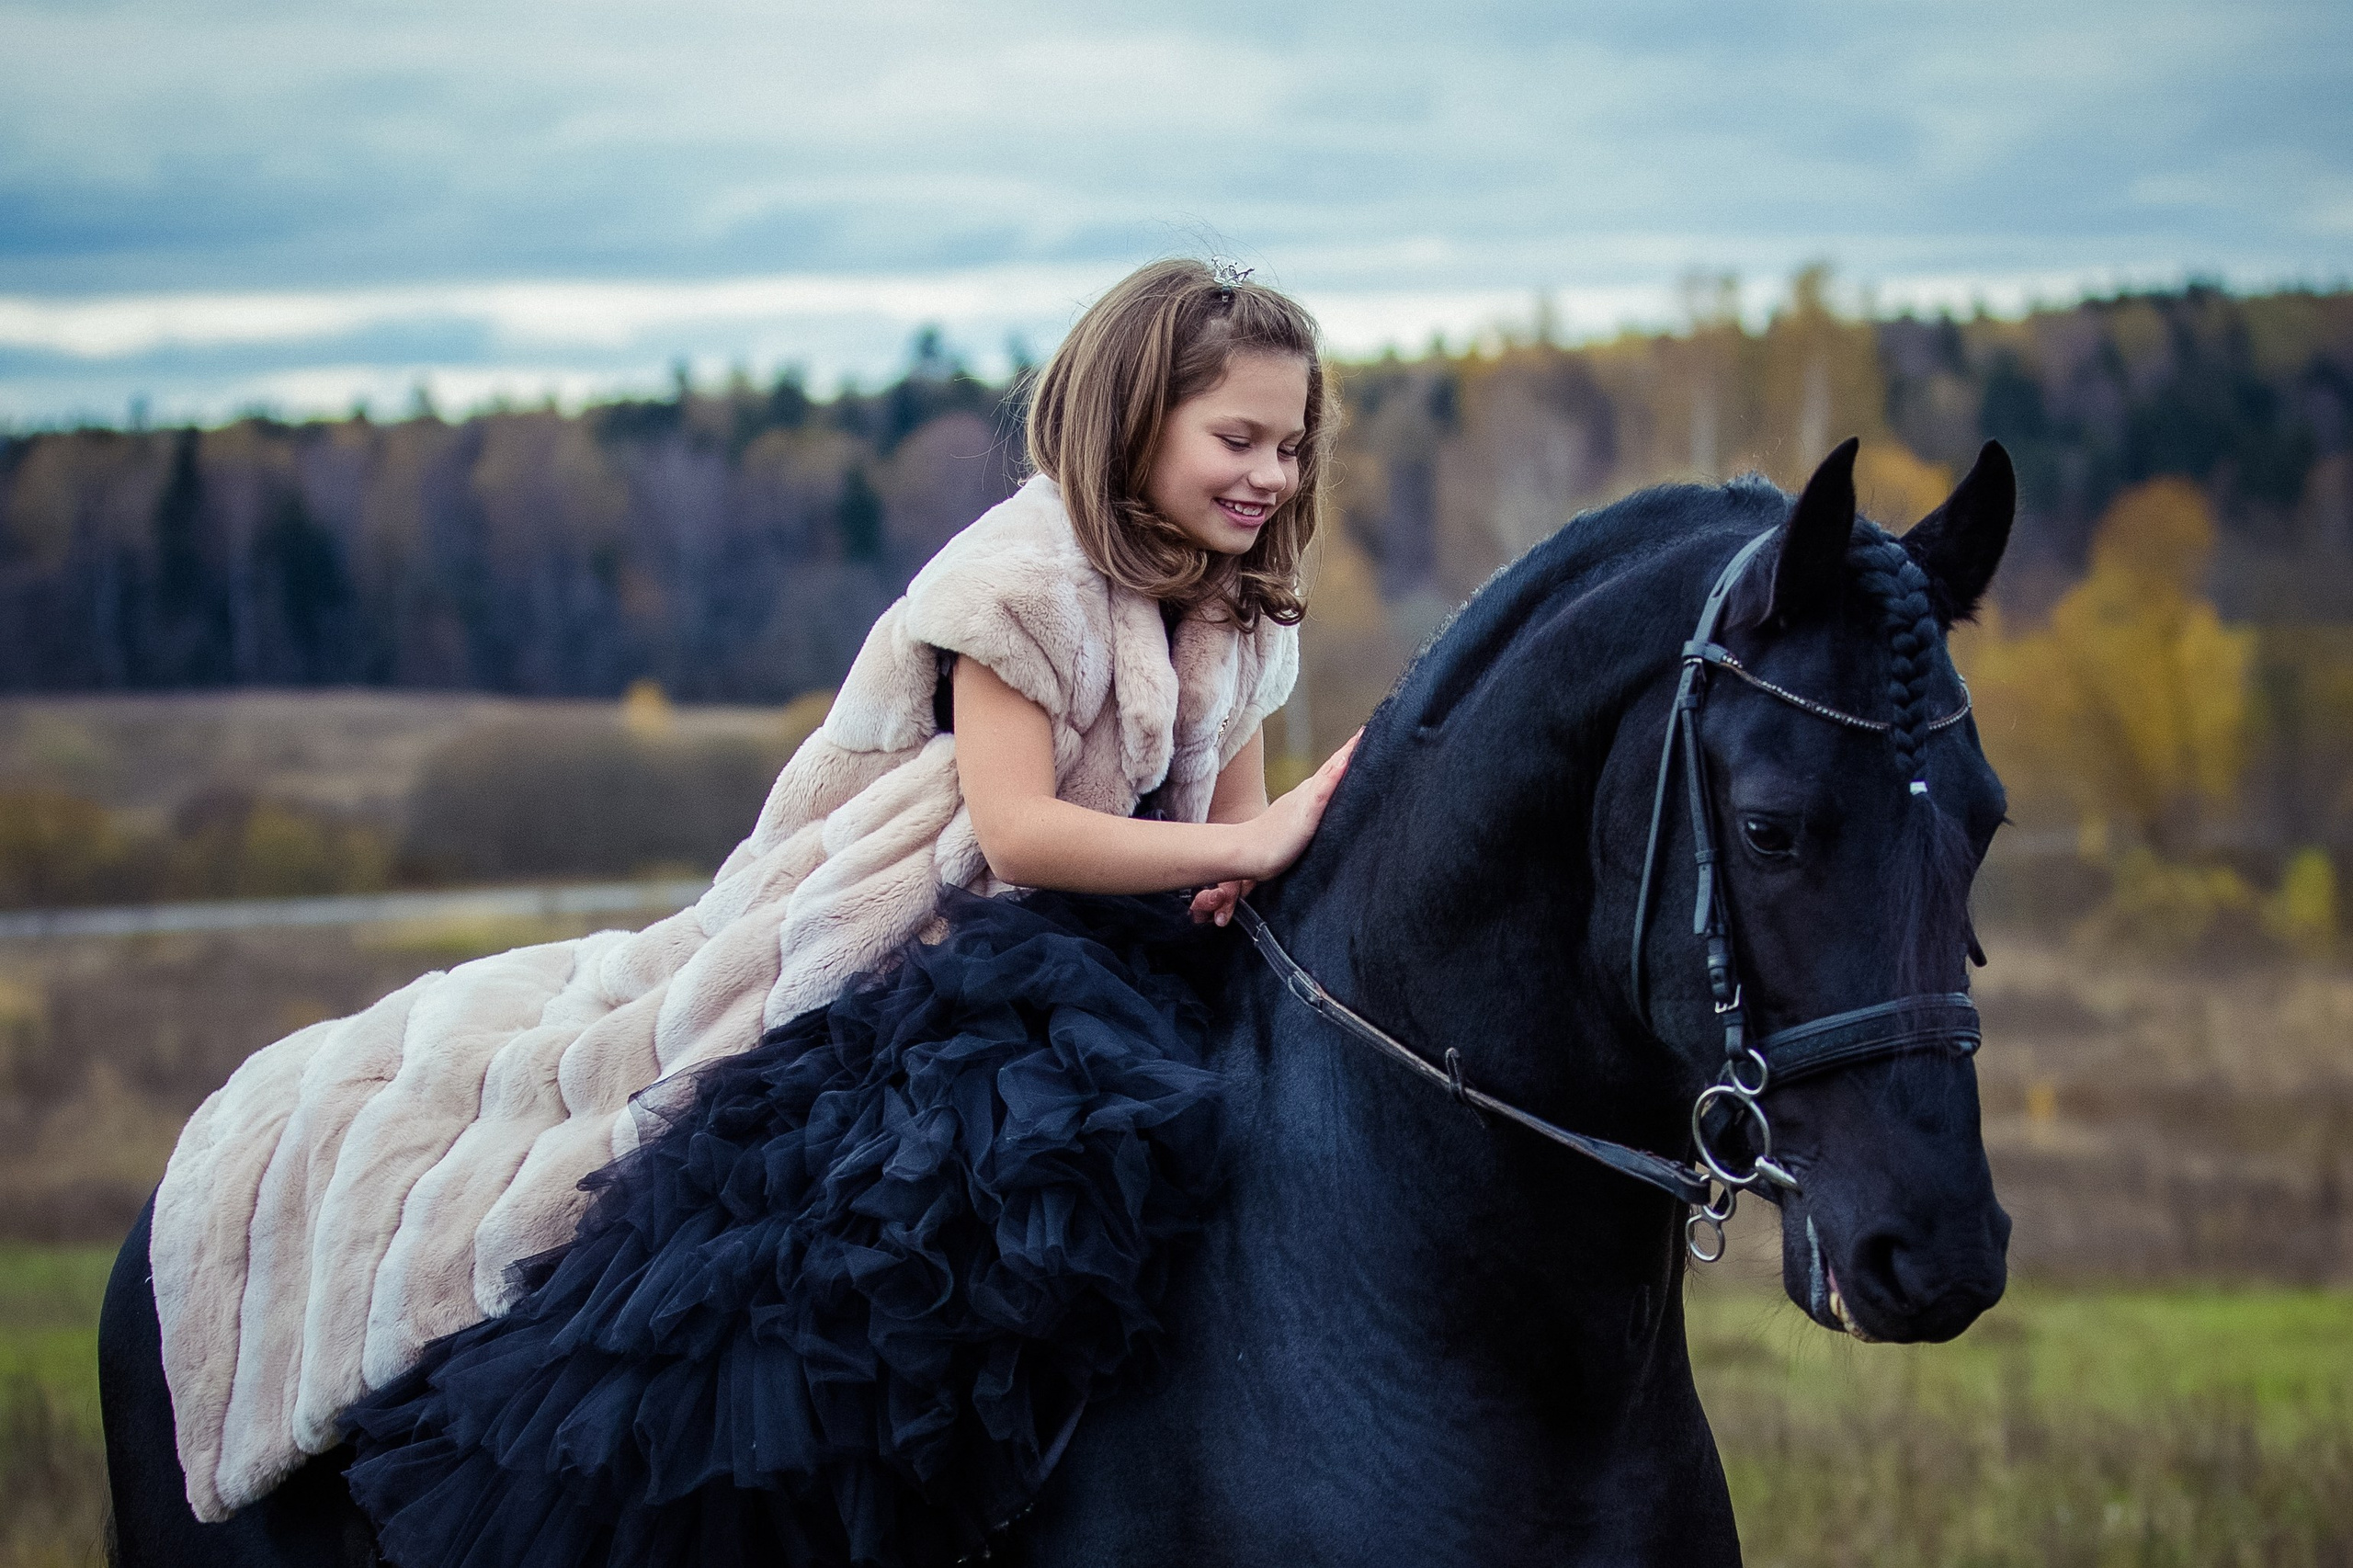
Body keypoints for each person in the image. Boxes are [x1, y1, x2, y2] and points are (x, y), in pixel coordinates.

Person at [336, 258, 1358, 1568]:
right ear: (1133, 419)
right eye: (1236, 438)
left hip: (1121, 939)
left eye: (1289, 443)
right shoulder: (1018, 583)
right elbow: (1017, 828)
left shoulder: (1239, 607)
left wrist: (1238, 868)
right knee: (950, 1187)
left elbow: (1223, 826)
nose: (1268, 473)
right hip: (944, 927)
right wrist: (1234, 843)